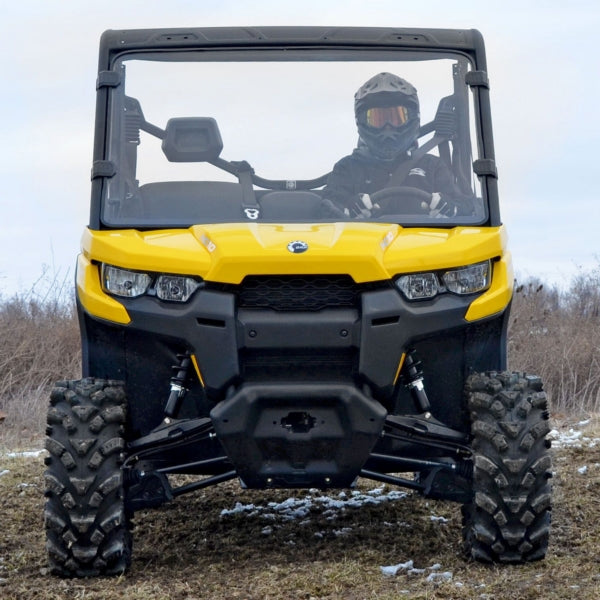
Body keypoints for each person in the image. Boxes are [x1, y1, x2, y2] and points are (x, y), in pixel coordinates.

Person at [322, 72, 474, 219]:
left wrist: (452, 209)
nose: (388, 128)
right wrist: (348, 210)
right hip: (363, 244)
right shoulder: (347, 168)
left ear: (413, 119)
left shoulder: (432, 166)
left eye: (396, 118)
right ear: (362, 122)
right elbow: (324, 210)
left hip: (424, 243)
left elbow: (469, 207)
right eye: (378, 119)